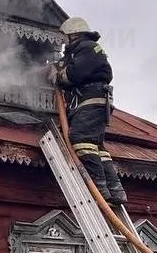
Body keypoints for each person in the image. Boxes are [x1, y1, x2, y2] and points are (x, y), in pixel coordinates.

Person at [51, 16, 127, 206]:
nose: (64, 41)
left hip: (90, 101)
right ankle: (115, 190)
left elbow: (73, 74)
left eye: (65, 37)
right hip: (97, 102)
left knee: (80, 139)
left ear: (73, 34)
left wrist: (58, 76)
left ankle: (99, 189)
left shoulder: (85, 48)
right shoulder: (87, 50)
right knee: (97, 147)